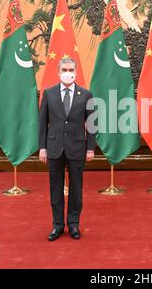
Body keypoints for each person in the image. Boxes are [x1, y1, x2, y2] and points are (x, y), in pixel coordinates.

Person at [39, 58, 95, 241]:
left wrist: (90, 148)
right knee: (55, 188)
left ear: (76, 72)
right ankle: (57, 225)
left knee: (76, 188)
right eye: (64, 69)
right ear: (58, 72)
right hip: (54, 148)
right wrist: (42, 148)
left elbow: (92, 124)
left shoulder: (86, 94)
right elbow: (42, 124)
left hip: (77, 147)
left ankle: (73, 224)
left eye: (71, 69)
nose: (68, 72)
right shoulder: (49, 93)